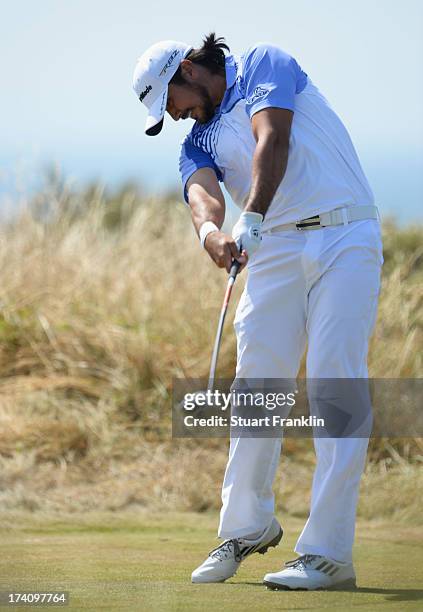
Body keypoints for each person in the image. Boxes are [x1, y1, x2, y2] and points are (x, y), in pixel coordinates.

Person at [132, 33, 383, 590]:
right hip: (272, 248)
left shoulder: (265, 63)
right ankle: (246, 528)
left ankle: (327, 554)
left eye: (171, 103)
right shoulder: (196, 139)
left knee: (335, 386)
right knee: (256, 390)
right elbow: (201, 191)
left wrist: (251, 217)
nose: (174, 117)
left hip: (345, 234)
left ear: (189, 72)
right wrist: (211, 234)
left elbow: (274, 136)